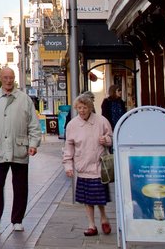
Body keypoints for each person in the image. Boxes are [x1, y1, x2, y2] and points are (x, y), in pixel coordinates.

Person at [0, 66, 42, 232]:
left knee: (20, 186)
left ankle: (17, 220)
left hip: (20, 148)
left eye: (11, 77)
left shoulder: (24, 99)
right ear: (1, 78)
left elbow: (34, 125)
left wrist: (34, 144)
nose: (8, 80)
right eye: (5, 77)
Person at [62, 92, 114, 236]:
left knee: (99, 198)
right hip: (83, 166)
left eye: (84, 107)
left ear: (90, 107)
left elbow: (111, 137)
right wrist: (68, 166)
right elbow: (69, 146)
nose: (82, 110)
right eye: (79, 108)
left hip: (99, 166)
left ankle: (104, 219)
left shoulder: (102, 121)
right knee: (88, 200)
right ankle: (92, 225)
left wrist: (107, 140)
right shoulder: (72, 125)